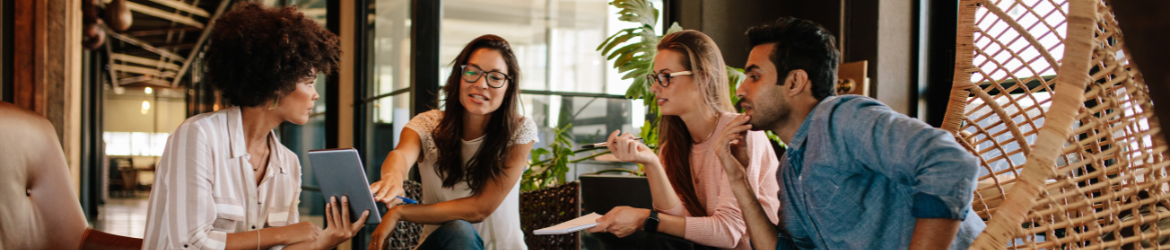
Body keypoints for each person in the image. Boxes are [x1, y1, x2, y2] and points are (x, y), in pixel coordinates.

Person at [711, 17, 986, 250]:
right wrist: (739, 180)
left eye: (755, 76)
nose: (740, 90)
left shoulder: (841, 118)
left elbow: (949, 162)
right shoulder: (790, 171)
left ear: (795, 82)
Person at [142, 2, 368, 250]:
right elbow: (190, 243)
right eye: (309, 82)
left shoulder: (288, 164)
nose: (315, 95)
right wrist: (283, 234)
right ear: (276, 83)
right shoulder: (199, 135)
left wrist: (324, 242)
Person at [586, 30, 782, 250]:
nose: (654, 87)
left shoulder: (741, 133)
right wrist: (651, 162)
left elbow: (729, 233)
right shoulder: (673, 148)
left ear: (703, 77)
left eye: (665, 76)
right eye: (654, 77)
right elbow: (680, 228)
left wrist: (644, 219)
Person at [367, 34, 538, 250]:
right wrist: (392, 178)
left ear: (508, 88)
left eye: (495, 77)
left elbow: (480, 209)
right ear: (458, 76)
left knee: (461, 226)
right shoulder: (427, 125)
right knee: (458, 230)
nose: (481, 84)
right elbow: (401, 154)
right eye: (472, 72)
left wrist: (399, 212)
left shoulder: (519, 130)